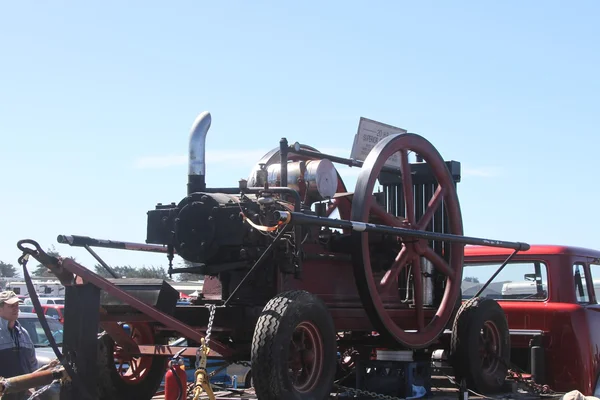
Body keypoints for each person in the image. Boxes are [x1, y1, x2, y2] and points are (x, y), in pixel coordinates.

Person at [0, 290, 38, 400]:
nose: (16, 309)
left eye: (17, 305)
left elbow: (32, 363)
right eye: (11, 306)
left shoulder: (23, 333)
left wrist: (33, 388)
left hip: (23, 395)